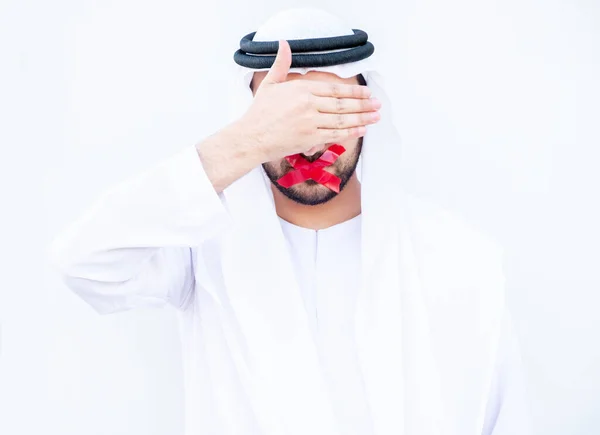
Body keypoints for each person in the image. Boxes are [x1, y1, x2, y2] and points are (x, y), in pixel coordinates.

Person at [49, 8, 531, 435]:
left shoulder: (457, 255)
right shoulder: (202, 247)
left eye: (330, 112)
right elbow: (83, 264)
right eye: (287, 120)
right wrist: (243, 143)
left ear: (367, 112)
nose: (312, 144)